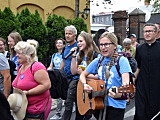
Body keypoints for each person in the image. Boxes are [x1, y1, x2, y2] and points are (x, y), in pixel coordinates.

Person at [80, 32, 132, 120]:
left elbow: (126, 86)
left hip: (116, 106)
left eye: (106, 44)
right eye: (101, 45)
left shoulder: (122, 61)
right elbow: (82, 75)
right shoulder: (98, 60)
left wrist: (119, 94)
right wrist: (85, 84)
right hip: (99, 103)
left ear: (115, 46)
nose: (103, 47)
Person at [12, 41, 52, 120]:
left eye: (19, 53)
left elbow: (46, 85)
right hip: (24, 108)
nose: (17, 55)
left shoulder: (36, 66)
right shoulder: (21, 67)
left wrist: (28, 92)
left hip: (36, 108)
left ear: (28, 55)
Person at [70, 31, 100, 119]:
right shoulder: (80, 56)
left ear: (87, 41)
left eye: (81, 41)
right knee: (80, 113)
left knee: (96, 112)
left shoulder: (95, 56)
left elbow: (99, 75)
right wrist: (73, 56)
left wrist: (83, 74)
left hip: (93, 87)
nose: (79, 43)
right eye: (78, 42)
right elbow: (73, 72)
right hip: (81, 87)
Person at [134, 23, 160, 120]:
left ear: (156, 33)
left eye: (150, 31)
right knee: (141, 112)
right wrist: (132, 79)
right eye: (145, 31)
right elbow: (138, 67)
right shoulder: (139, 48)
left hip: (157, 85)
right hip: (142, 85)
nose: (147, 33)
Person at [60, 25, 80, 120]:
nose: (67, 36)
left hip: (75, 78)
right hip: (66, 77)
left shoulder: (78, 47)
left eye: (70, 34)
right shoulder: (65, 48)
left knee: (69, 101)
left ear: (74, 35)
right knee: (73, 100)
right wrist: (59, 73)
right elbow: (63, 61)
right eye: (66, 33)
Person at [48, 38, 66, 120]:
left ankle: (72, 105)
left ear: (64, 45)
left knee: (66, 93)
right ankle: (58, 113)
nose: (58, 44)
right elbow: (51, 66)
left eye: (60, 43)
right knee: (58, 94)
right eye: (57, 43)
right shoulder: (54, 55)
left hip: (63, 76)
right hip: (56, 77)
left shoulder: (65, 54)